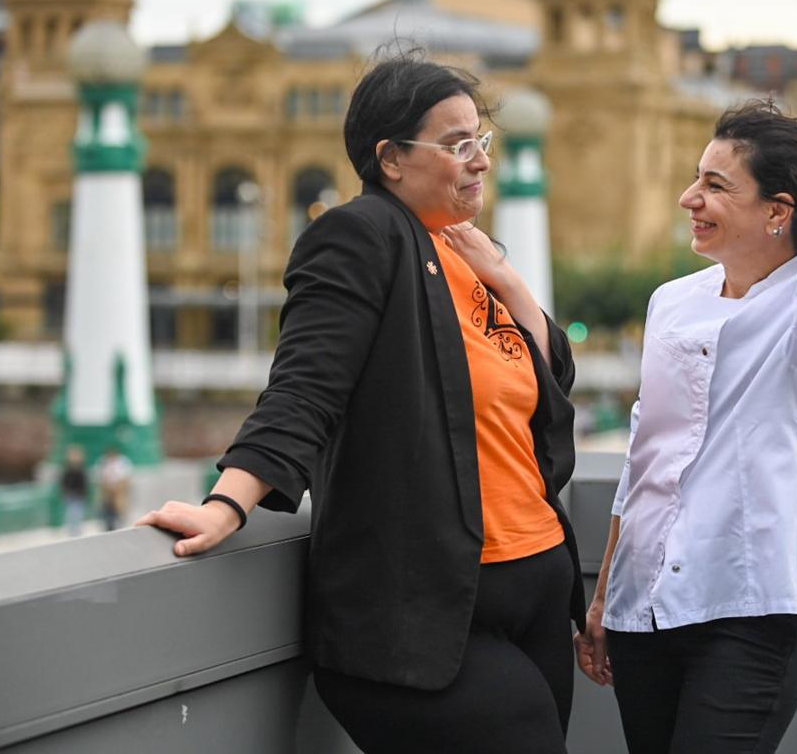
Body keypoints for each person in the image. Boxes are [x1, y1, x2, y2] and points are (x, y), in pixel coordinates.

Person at [138, 52, 584, 754]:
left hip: (534, 588)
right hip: (424, 616)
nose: (479, 161)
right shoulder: (361, 236)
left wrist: (508, 281)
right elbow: (306, 385)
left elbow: (551, 373)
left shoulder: (465, 254)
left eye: (482, 142)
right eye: (456, 143)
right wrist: (227, 502)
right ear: (392, 158)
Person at [574, 100, 797, 753]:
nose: (690, 198)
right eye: (695, 179)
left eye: (715, 185)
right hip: (642, 611)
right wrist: (605, 597)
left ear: (778, 211)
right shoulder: (672, 302)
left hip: (749, 613)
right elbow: (644, 461)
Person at [96, 445, 131, 531]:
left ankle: (120, 528)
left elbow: (126, 479)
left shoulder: (122, 464)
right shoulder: (104, 463)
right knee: (107, 514)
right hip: (107, 494)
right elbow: (99, 477)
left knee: (119, 514)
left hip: (118, 493)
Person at [60, 444, 89, 537]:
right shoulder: (67, 470)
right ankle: (73, 534)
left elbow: (84, 484)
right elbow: (64, 483)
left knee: (77, 516)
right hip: (70, 497)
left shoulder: (81, 470)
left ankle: (77, 534)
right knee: (70, 516)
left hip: (79, 497)